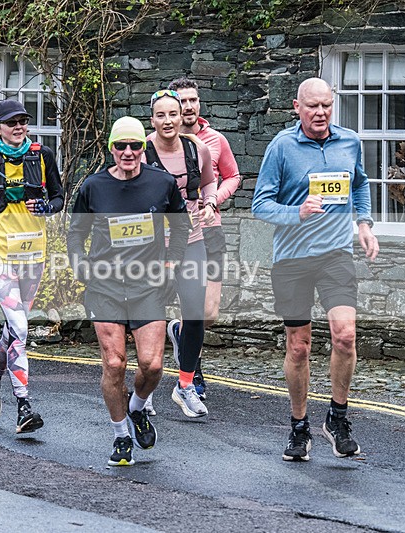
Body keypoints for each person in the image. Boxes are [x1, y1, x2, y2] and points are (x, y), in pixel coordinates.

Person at [252, 78, 378, 462]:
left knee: (346, 336)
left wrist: (364, 224)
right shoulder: (281, 147)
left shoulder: (349, 142)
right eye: (313, 106)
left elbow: (360, 184)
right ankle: (299, 425)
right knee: (299, 346)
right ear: (297, 107)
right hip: (292, 260)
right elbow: (260, 205)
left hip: (335, 255)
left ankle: (337, 418)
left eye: (326, 105)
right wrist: (298, 211)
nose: (321, 113)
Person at [67, 116, 190, 466]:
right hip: (105, 286)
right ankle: (121, 436)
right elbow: (76, 233)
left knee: (152, 365)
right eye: (120, 145)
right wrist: (79, 264)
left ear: (143, 148)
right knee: (114, 363)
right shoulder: (94, 186)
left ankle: (136, 407)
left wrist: (171, 264)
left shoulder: (162, 183)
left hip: (147, 286)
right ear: (112, 148)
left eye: (135, 145)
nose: (128, 152)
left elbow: (181, 226)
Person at [0, 100, 64, 434]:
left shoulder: (42, 155)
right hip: (0, 254)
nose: (19, 126)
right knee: (21, 328)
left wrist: (47, 207)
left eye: (23, 121)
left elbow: (59, 196)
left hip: (34, 254)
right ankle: (24, 406)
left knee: (13, 329)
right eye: (11, 122)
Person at [162, 76, 243, 401]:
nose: (188, 106)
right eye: (182, 101)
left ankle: (179, 333)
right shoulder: (158, 145)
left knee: (208, 312)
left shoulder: (215, 140)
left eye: (193, 100)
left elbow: (233, 176)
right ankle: (191, 375)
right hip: (172, 236)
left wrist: (213, 201)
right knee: (190, 306)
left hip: (210, 231)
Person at [142, 89, 216, 419]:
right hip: (154, 248)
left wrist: (210, 203)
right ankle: (144, 391)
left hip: (192, 240)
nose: (168, 120)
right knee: (150, 319)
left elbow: (210, 182)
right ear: (152, 119)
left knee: (195, 314)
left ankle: (185, 385)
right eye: (161, 115)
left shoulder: (197, 148)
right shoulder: (141, 151)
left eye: (173, 113)